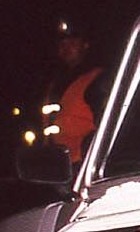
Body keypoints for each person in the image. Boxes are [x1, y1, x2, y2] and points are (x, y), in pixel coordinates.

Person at [39, 18, 110, 165]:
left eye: (72, 42)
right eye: (62, 43)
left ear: (85, 44)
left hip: (84, 167)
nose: (66, 47)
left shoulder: (97, 79)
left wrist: (89, 153)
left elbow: (108, 126)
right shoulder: (56, 84)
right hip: (57, 167)